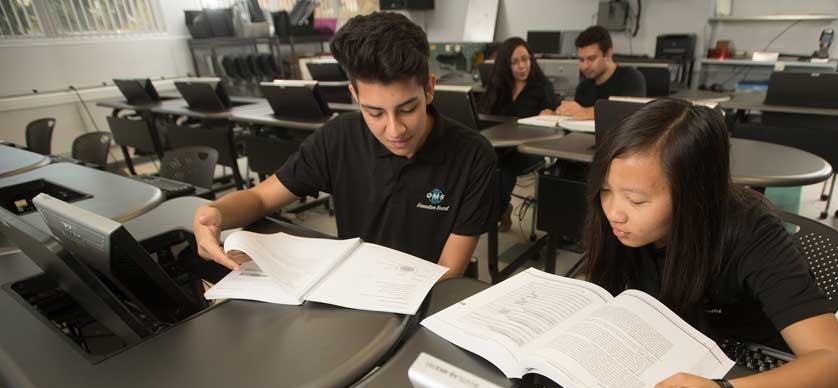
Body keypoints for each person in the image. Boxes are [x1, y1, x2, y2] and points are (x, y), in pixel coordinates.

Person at [583, 98, 838, 388]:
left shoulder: (753, 232)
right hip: (662, 368)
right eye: (605, 191)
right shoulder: (618, 224)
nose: (615, 212)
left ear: (693, 196)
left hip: (748, 380)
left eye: (638, 200)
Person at [192, 12, 498, 280]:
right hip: (351, 293)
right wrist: (214, 213)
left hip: (424, 299)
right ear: (354, 95)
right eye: (375, 112)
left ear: (429, 88)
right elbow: (260, 198)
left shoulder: (472, 155)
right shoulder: (337, 138)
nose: (394, 130)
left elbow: (449, 268)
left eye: (407, 109)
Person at [480, 37, 559, 231]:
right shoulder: (498, 87)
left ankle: (494, 215)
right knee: (483, 160)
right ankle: (489, 211)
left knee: (504, 165)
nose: (522, 66)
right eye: (515, 62)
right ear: (505, 66)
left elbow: (555, 118)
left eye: (525, 59)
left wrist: (550, 114)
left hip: (532, 148)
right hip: (501, 146)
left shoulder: (542, 87)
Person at [550, 25, 646, 120]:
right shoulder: (584, 87)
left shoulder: (631, 78)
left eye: (591, 59)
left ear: (608, 54)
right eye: (581, 59)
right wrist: (555, 114)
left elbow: (631, 113)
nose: (585, 66)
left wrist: (587, 112)